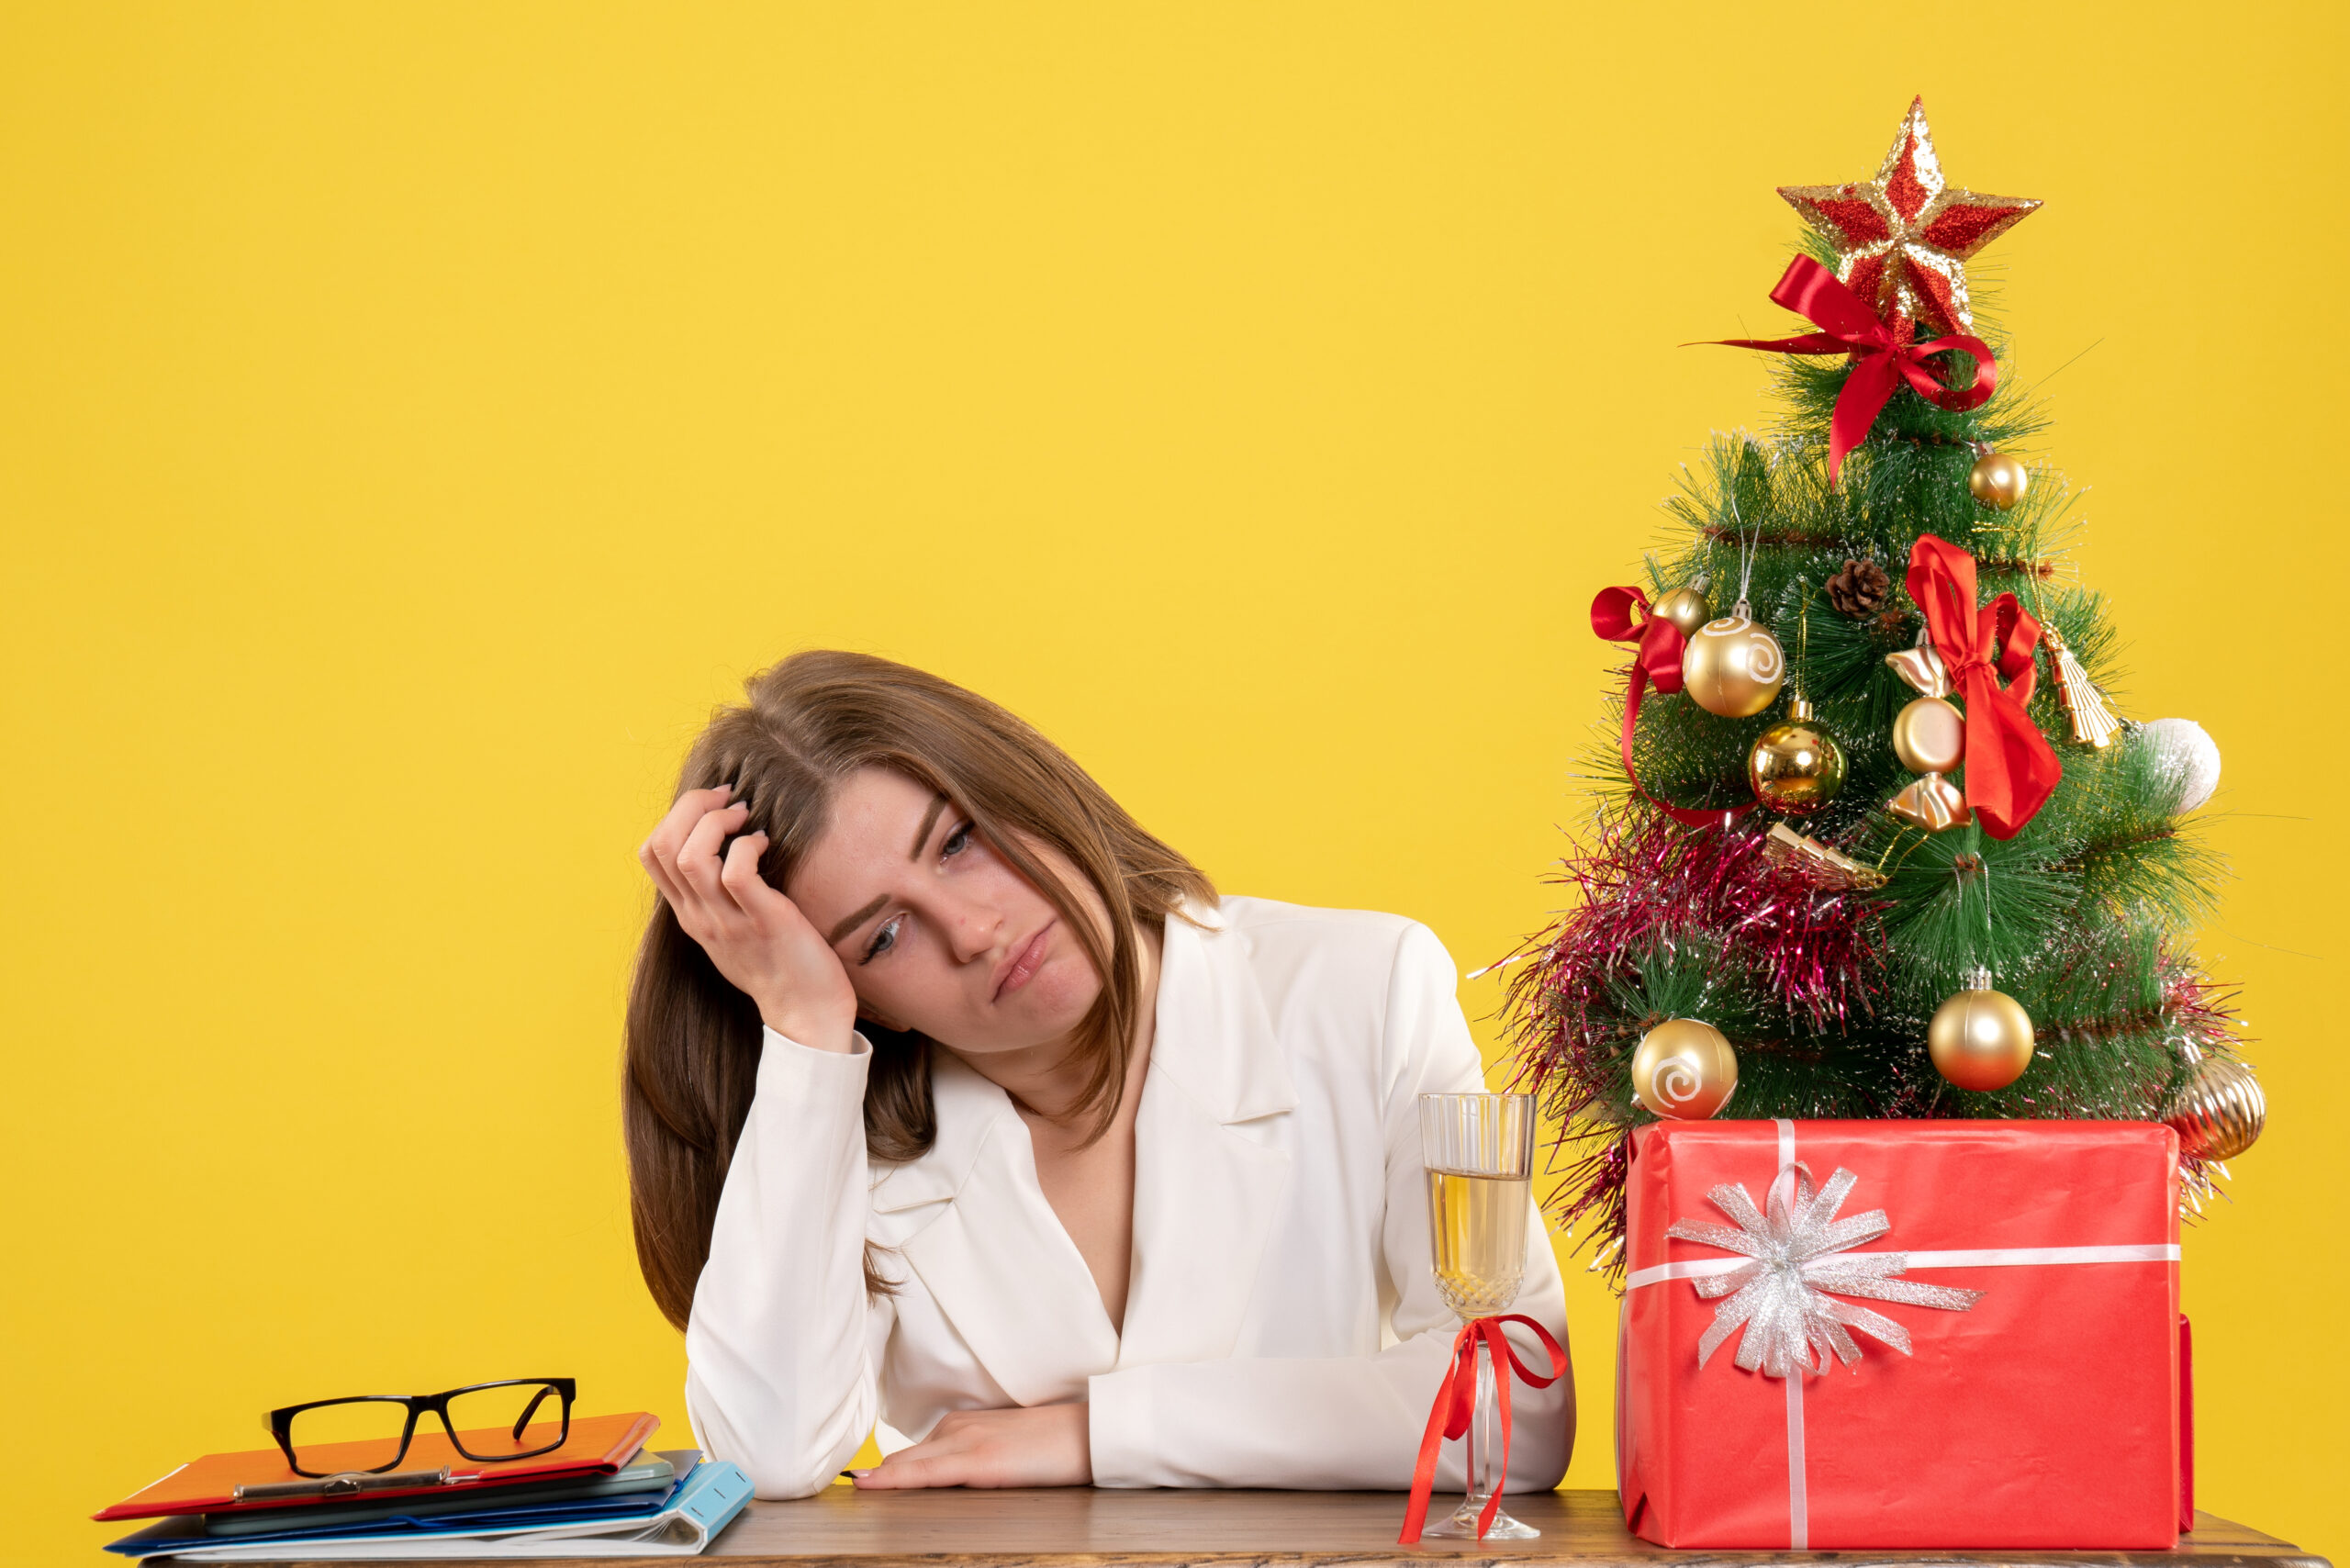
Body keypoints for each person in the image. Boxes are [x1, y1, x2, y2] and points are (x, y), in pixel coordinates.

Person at [624, 650, 1572, 1499]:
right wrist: (803, 1030)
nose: (974, 931)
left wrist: (1095, 1433)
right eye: (883, 934)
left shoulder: (1365, 990)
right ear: (863, 994)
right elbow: (771, 1452)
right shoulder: (842, 1125)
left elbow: (1511, 1407)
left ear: (1021, 787)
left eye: (957, 842)